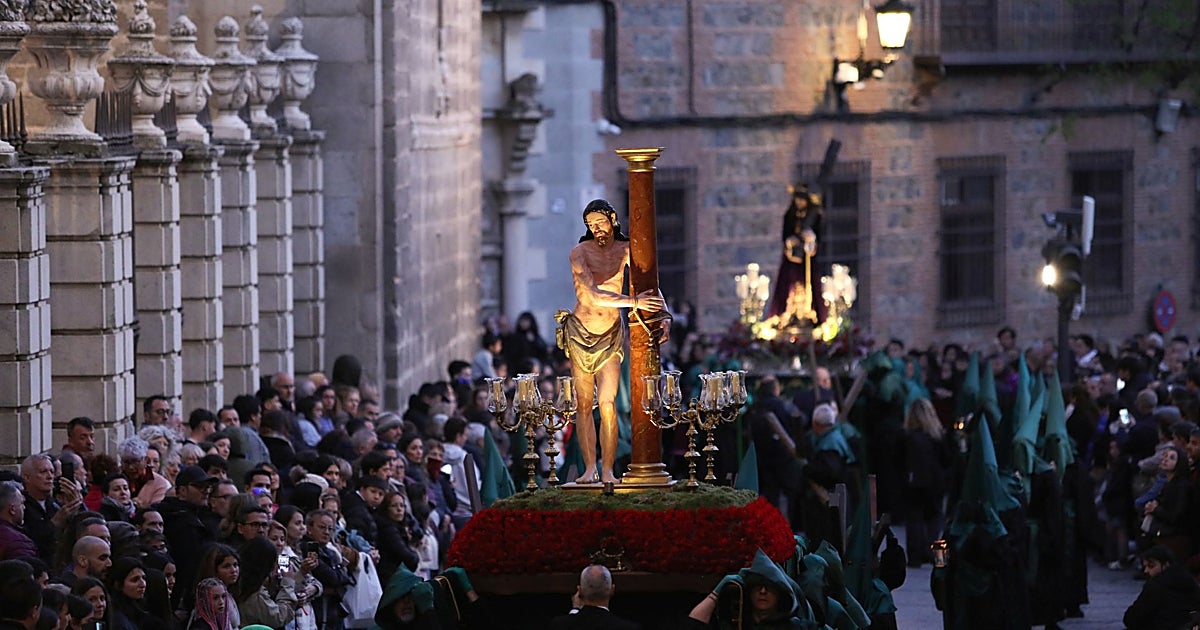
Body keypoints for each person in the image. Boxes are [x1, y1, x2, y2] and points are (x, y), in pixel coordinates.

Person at [555, 199, 666, 484]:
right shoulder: (579, 253)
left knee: (607, 402)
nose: (596, 230)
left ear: (613, 219)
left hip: (610, 334)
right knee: (583, 403)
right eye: (590, 225)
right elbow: (588, 295)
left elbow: (648, 283)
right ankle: (589, 467)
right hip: (581, 330)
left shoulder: (627, 249)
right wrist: (632, 302)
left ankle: (607, 469)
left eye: (600, 223)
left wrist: (663, 314)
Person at [684, 549, 810, 628]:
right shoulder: (736, 623)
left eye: (769, 588)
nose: (762, 592)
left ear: (779, 594)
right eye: (758, 587)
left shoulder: (794, 626)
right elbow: (693, 625)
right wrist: (716, 593)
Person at [765, 184, 822, 326]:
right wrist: (791, 241)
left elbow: (819, 235)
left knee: (809, 283)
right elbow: (785, 235)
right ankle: (785, 313)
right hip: (792, 257)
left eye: (802, 200)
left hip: (807, 257)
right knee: (788, 282)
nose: (799, 203)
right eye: (797, 199)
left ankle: (810, 312)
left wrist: (811, 238)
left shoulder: (815, 216)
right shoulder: (789, 215)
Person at [1123, 545, 1200, 630]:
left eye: (1151, 566)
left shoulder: (1155, 586)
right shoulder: (1190, 581)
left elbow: (1132, 618)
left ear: (1166, 565)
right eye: (1145, 567)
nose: (1146, 571)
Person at [548, 564, 638, 630]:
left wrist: (575, 611)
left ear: (580, 591)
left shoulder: (559, 625)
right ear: (612, 590)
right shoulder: (628, 628)